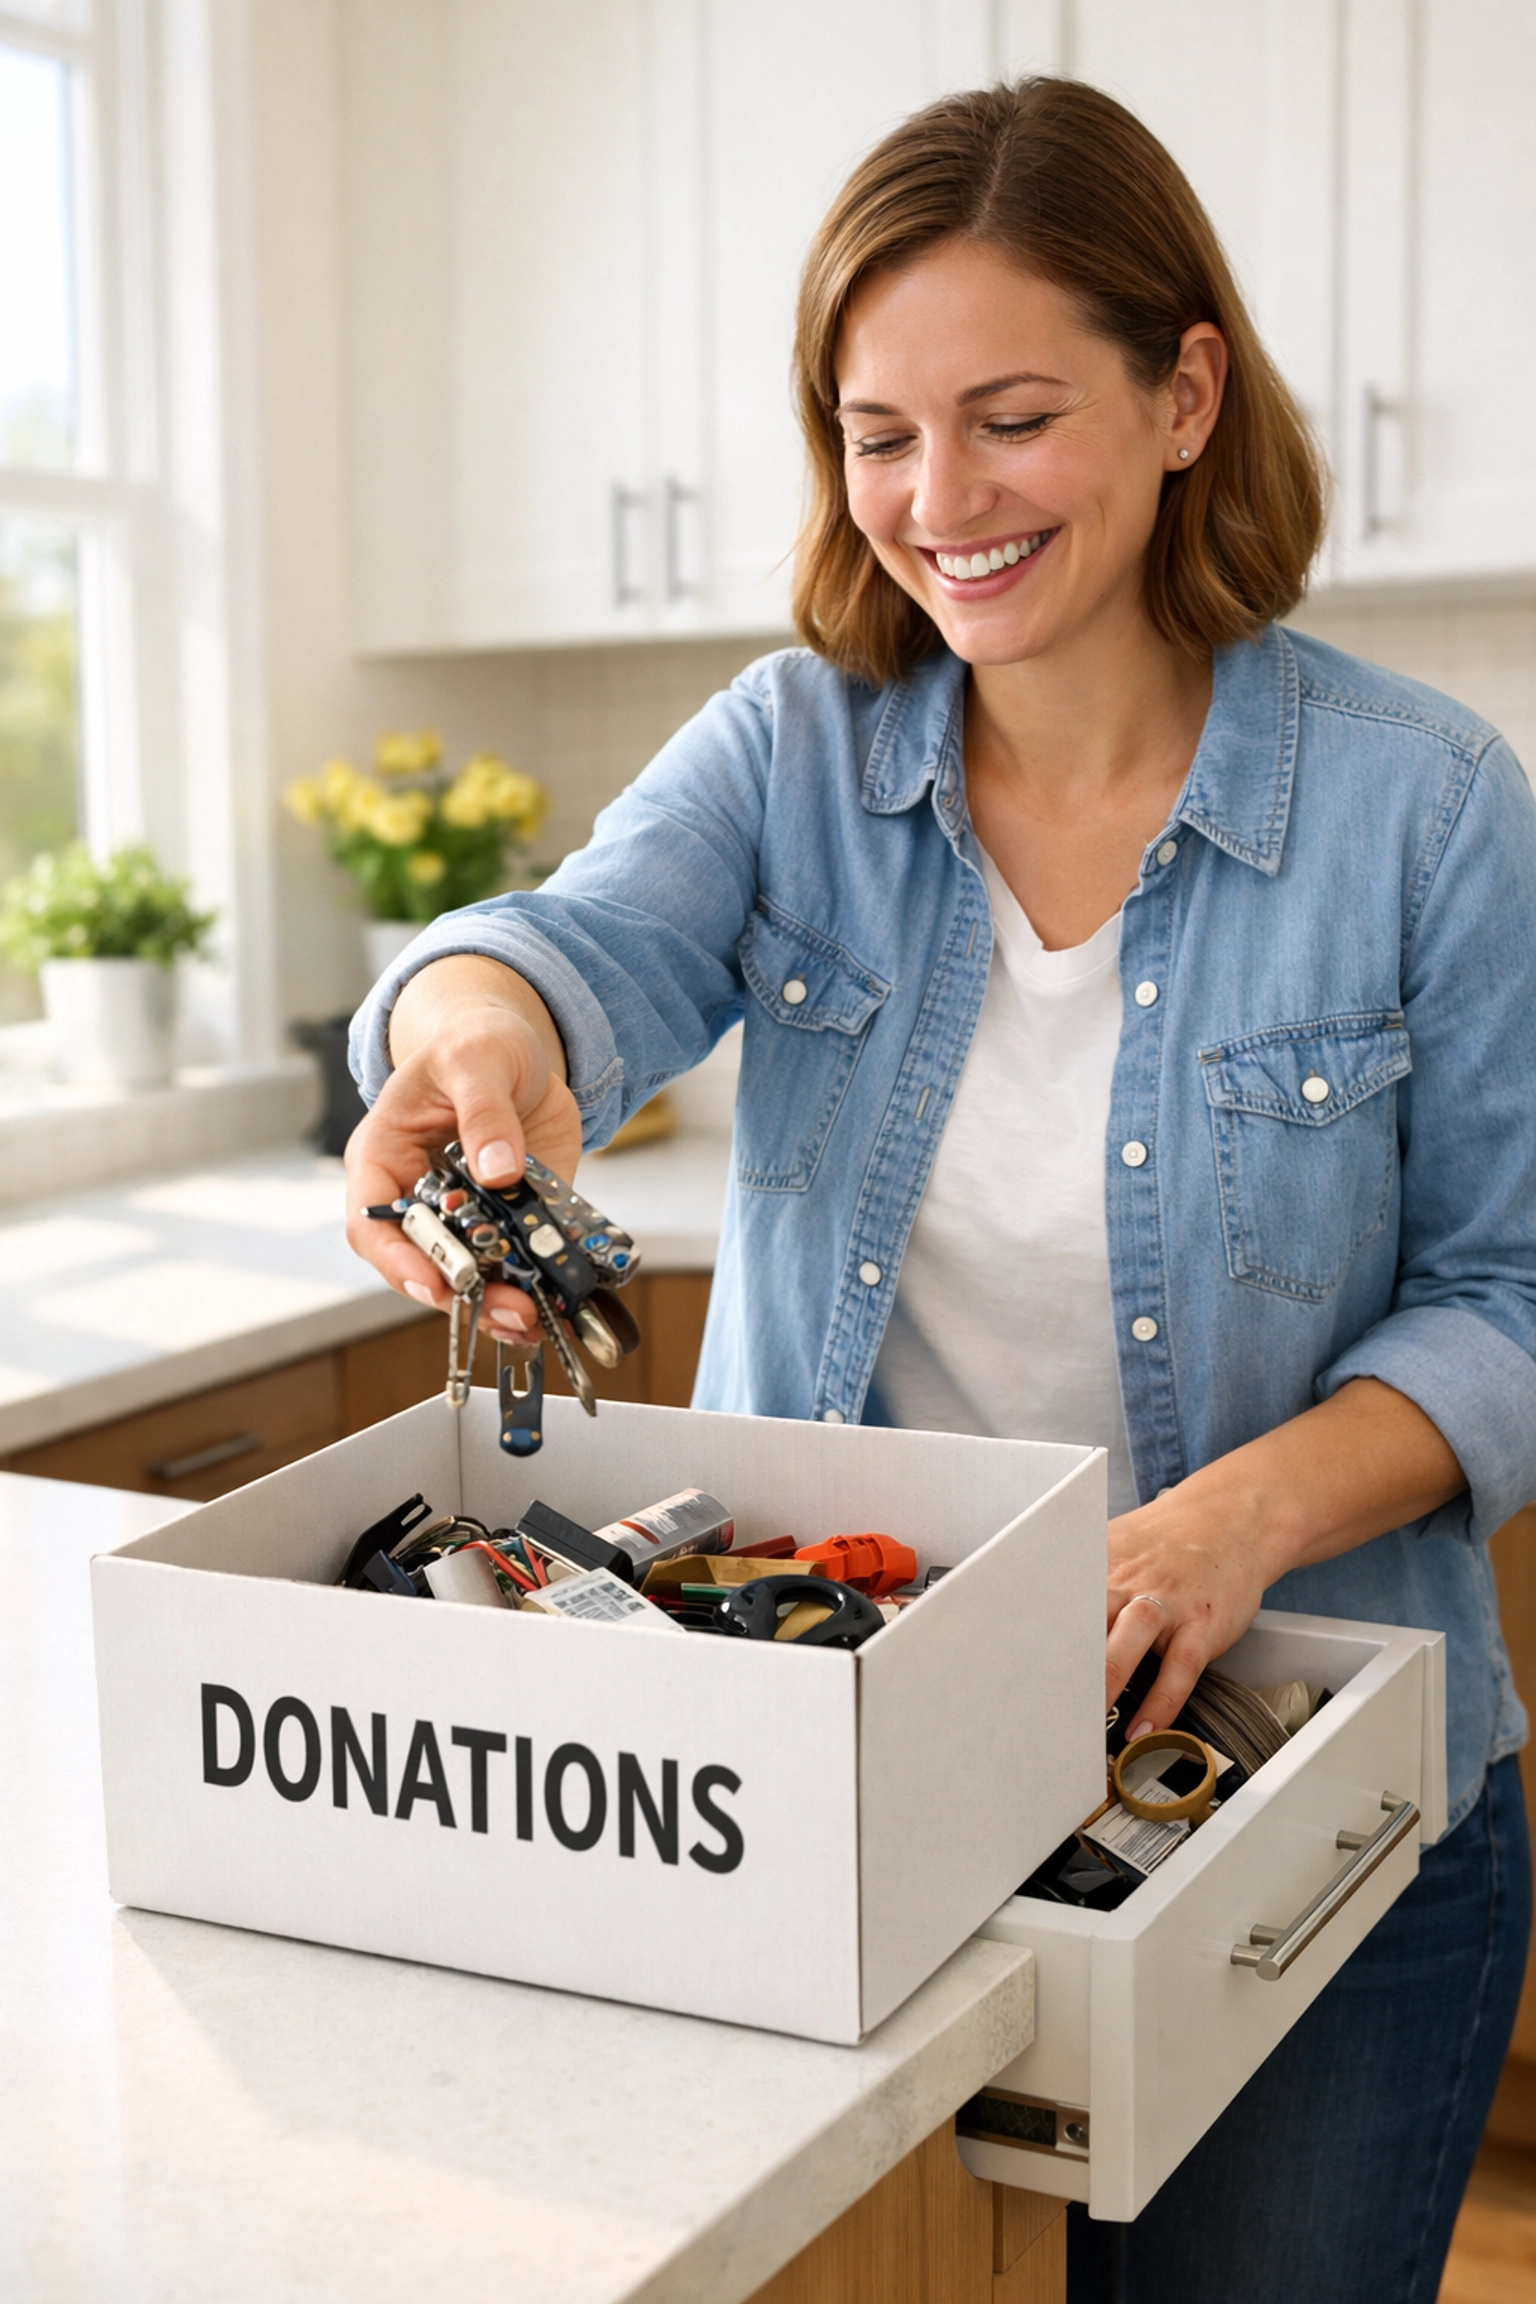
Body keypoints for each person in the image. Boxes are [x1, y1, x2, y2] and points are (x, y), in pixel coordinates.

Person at [346, 78, 1536, 2303]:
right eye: (876, 432)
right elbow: (567, 943)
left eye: (1008, 418)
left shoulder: (1430, 810)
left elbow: (1519, 1297)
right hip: (864, 1797)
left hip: (1303, 1819)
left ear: (1185, 393)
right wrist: (475, 1025)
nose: (935, 502)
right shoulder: (796, 751)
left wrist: (1227, 1521)